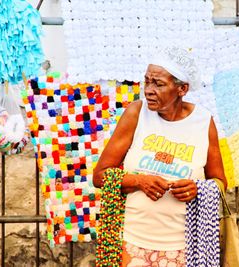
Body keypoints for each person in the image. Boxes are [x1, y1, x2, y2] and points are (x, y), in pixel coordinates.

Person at [93, 47, 227, 267]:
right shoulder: (136, 114)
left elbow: (220, 182)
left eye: (158, 84)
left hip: (187, 249)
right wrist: (139, 181)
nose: (148, 90)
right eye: (147, 82)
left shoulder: (203, 121)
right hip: (131, 243)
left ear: (182, 89)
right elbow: (99, 176)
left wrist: (198, 189)